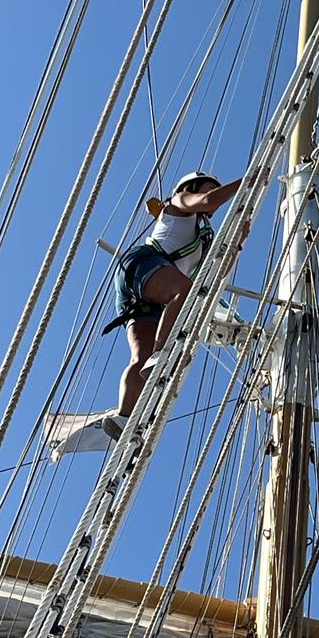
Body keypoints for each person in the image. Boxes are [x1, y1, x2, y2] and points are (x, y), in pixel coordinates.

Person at [102, 171, 244, 441]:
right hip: (143, 266)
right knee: (184, 290)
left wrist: (237, 243)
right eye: (208, 185)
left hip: (153, 295)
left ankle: (124, 416)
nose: (214, 189)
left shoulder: (204, 240)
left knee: (139, 358)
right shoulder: (179, 202)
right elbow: (210, 201)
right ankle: (160, 353)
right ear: (189, 187)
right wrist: (247, 179)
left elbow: (217, 272)